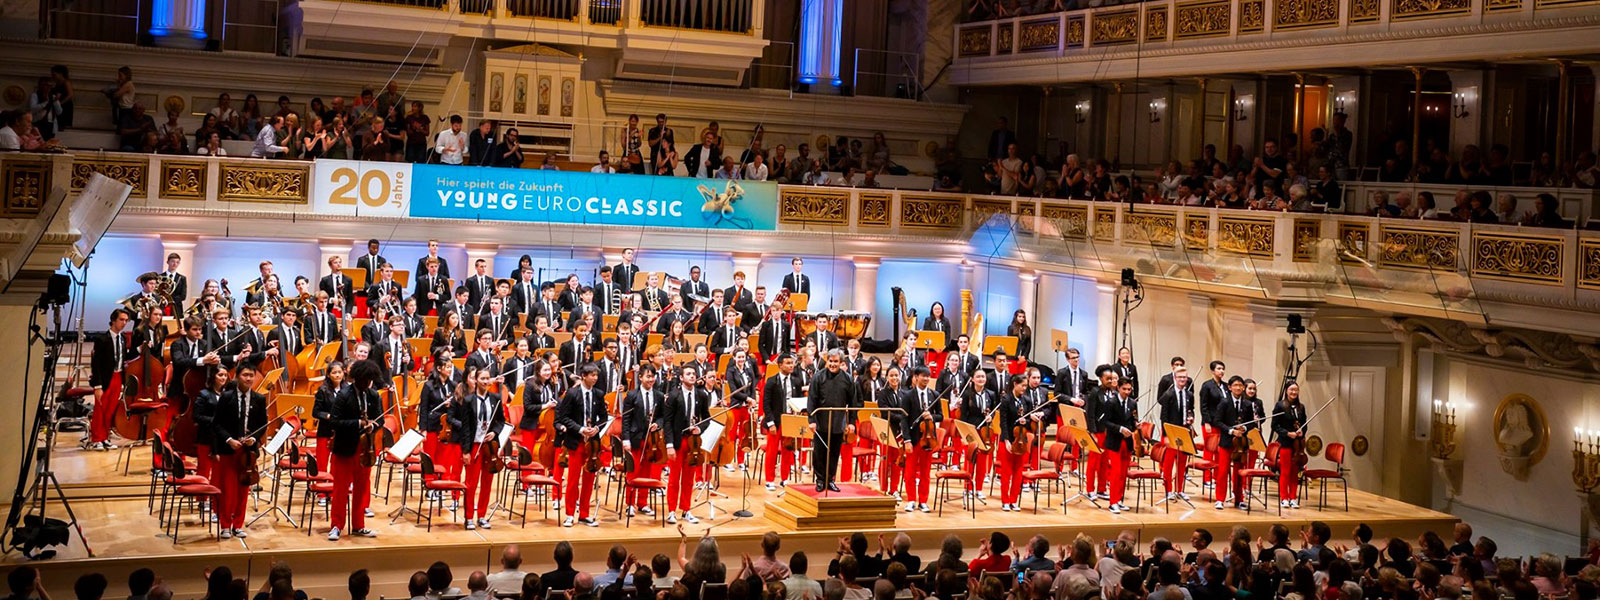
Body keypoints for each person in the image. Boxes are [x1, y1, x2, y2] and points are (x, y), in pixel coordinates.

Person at [326, 358, 383, 540]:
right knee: (340, 489)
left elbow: (380, 420)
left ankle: (359, 525)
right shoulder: (344, 395)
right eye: (365, 380)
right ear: (357, 378)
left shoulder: (373, 396)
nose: (367, 384)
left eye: (369, 381)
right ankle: (336, 525)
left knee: (361, 488)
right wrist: (358, 423)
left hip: (366, 448)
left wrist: (373, 426)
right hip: (345, 447)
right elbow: (334, 421)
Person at [213, 363, 267, 538]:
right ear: (237, 377)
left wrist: (255, 439)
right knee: (228, 489)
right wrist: (229, 440)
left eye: (251, 375)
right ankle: (225, 525)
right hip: (229, 449)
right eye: (245, 375)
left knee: (243, 489)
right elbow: (217, 424)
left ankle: (238, 524)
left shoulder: (259, 399)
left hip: (247, 452)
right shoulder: (226, 397)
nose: (249, 378)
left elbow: (262, 425)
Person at [559, 364, 606, 527]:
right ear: (583, 376)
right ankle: (570, 514)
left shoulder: (599, 394)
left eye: (596, 375)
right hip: (576, 441)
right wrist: (580, 429)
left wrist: (596, 428)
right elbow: (563, 417)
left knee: (589, 479)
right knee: (573, 480)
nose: (595, 378)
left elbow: (604, 417)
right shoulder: (572, 394)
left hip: (592, 444)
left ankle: (584, 514)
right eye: (592, 375)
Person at [808, 349, 857, 492]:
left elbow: (853, 403)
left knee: (834, 453)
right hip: (820, 422)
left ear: (841, 363)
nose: (833, 364)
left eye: (836, 362)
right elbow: (812, 400)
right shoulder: (818, 377)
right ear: (827, 361)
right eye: (831, 361)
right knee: (819, 453)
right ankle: (820, 480)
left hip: (838, 422)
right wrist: (811, 419)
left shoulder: (847, 379)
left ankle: (830, 480)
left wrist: (852, 422)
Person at [896, 367, 940, 512]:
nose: (926, 379)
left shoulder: (934, 395)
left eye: (928, 376)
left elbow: (941, 416)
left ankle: (923, 500)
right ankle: (911, 500)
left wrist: (932, 417)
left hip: (928, 439)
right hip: (914, 439)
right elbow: (904, 419)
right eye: (923, 376)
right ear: (916, 377)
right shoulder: (908, 396)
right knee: (910, 472)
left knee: (925, 472)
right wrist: (907, 440)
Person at [1156, 366, 1194, 501]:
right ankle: (1168, 490)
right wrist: (1165, 435)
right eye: (1180, 377)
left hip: (1184, 431)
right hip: (1172, 431)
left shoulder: (1189, 395)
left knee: (1182, 462)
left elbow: (1191, 410)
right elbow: (1164, 416)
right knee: (1169, 462)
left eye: (1185, 377)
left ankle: (1179, 489)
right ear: (1175, 378)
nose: (1183, 380)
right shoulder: (1168, 394)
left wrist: (1191, 418)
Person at [1272, 380, 1308, 509]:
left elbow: (1304, 424)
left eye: (1296, 390)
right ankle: (1284, 497)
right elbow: (1274, 425)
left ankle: (1293, 497)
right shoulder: (1280, 406)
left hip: (1297, 445)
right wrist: (1287, 433)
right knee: (1285, 471)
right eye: (1291, 390)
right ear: (1286, 391)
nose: (1294, 392)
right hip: (1286, 443)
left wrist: (1301, 433)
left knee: (1295, 472)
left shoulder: (1301, 407)